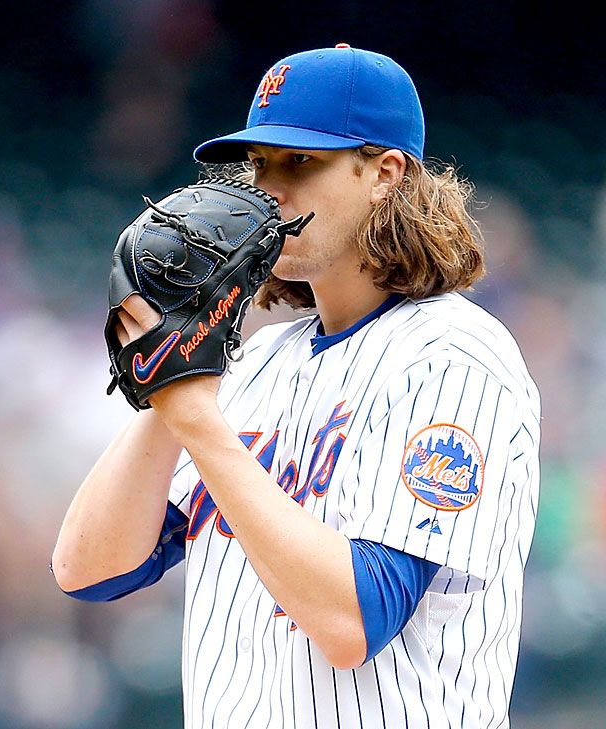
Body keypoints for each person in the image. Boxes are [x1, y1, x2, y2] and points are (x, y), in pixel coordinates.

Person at [51, 44, 540, 728]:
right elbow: (89, 568)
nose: (268, 187)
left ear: (385, 173)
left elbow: (352, 621)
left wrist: (196, 416)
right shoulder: (257, 362)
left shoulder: (453, 354)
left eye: (301, 161)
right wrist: (175, 372)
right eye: (260, 163)